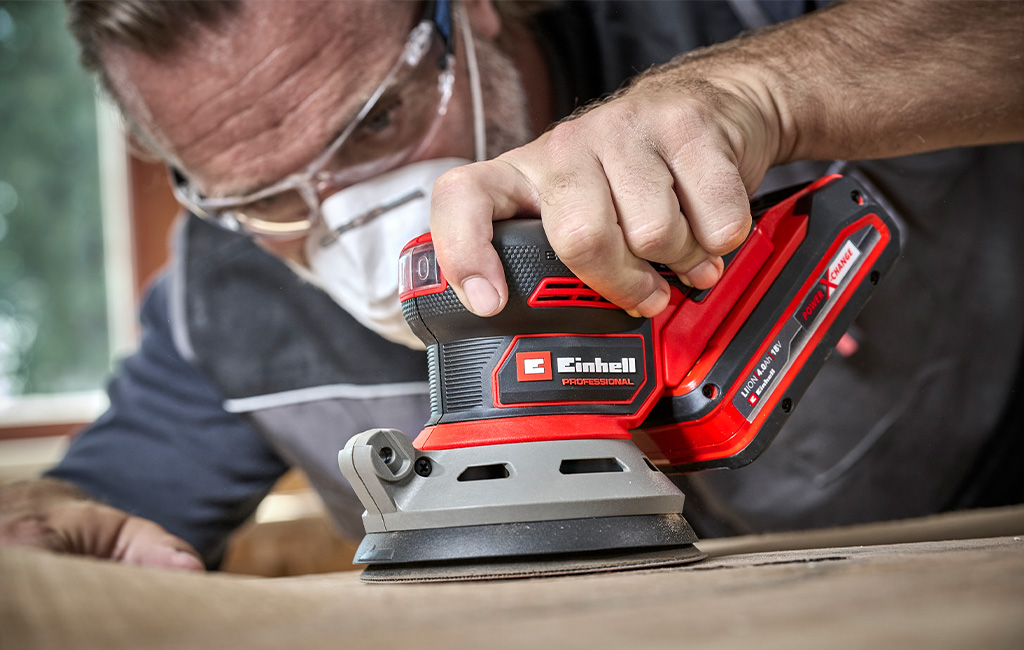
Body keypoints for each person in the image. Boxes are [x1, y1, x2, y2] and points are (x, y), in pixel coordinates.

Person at [1, 0, 1022, 570]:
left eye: (377, 123)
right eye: (270, 195)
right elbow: (93, 508)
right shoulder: (227, 290)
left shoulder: (748, 28)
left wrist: (765, 92)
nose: (345, 212)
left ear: (469, 14)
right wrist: (45, 527)